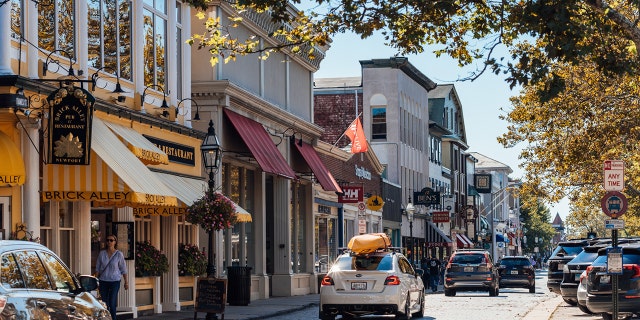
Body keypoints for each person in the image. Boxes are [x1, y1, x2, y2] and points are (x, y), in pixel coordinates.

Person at [95, 235, 129, 320]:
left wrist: (126, 282)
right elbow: (98, 268)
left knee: (112, 302)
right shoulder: (102, 254)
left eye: (111, 240)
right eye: (108, 240)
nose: (109, 242)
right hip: (103, 281)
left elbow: (123, 269)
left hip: (115, 281)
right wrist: (95, 281)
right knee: (104, 303)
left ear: (115, 242)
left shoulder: (119, 254)